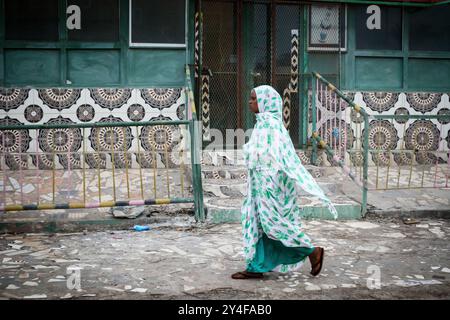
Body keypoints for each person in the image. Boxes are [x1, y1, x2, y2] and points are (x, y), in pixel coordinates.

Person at [231, 85, 337, 280]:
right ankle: (256, 266)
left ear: (265, 102)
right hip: (260, 186)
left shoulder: (271, 125)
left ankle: (311, 251)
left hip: (268, 186)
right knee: (261, 225)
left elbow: (273, 160)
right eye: (251, 98)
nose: (250, 102)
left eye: (254, 99)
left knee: (273, 224)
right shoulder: (264, 123)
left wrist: (266, 188)